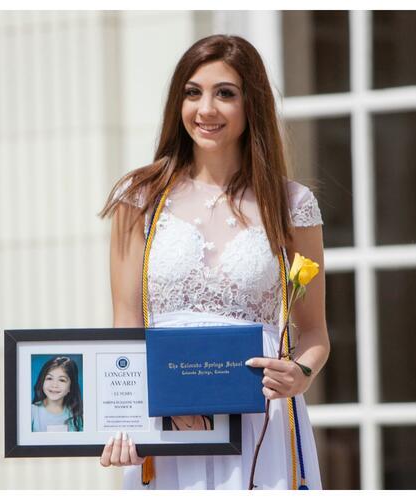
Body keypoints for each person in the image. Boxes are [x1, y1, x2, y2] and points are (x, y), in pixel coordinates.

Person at [97, 34, 329, 490]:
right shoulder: (139, 199)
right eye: (192, 92)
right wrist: (126, 415)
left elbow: (315, 332)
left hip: (260, 422)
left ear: (251, 104)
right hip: (166, 417)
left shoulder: (292, 205)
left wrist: (299, 375)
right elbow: (125, 327)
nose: (206, 109)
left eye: (225, 93)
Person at [31, 356, 83, 432]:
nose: (54, 385)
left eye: (62, 380)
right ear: (42, 381)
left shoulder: (78, 415)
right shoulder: (32, 412)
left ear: (70, 387)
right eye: (49, 378)